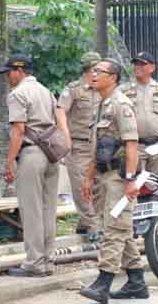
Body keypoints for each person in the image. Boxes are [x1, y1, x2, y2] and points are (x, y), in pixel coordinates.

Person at [79, 59, 146, 303]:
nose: (94, 74)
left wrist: (130, 180)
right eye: (93, 70)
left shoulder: (121, 104)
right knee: (121, 229)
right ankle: (137, 282)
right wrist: (88, 178)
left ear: (113, 78)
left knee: (115, 229)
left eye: (100, 71)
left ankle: (103, 283)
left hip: (119, 177)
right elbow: (96, 147)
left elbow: (131, 145)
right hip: (105, 175)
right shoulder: (101, 105)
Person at [0, 55, 62, 278]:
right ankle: (48, 260)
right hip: (51, 153)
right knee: (48, 210)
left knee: (31, 210)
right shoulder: (46, 91)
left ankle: (34, 262)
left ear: (19, 71)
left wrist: (9, 162)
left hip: (31, 153)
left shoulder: (18, 94)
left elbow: (18, 131)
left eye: (8, 72)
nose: (7, 77)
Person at [56, 52, 102, 241]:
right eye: (95, 69)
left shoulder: (102, 88)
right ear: (88, 70)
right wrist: (66, 138)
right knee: (82, 186)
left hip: (98, 146)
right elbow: (60, 111)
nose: (98, 73)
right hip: (78, 146)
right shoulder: (74, 89)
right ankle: (93, 226)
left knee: (98, 185)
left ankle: (86, 223)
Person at [119, 51, 158, 173]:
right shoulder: (123, 91)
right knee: (133, 181)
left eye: (142, 64)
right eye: (136, 64)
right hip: (134, 146)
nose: (137, 67)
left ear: (152, 68)